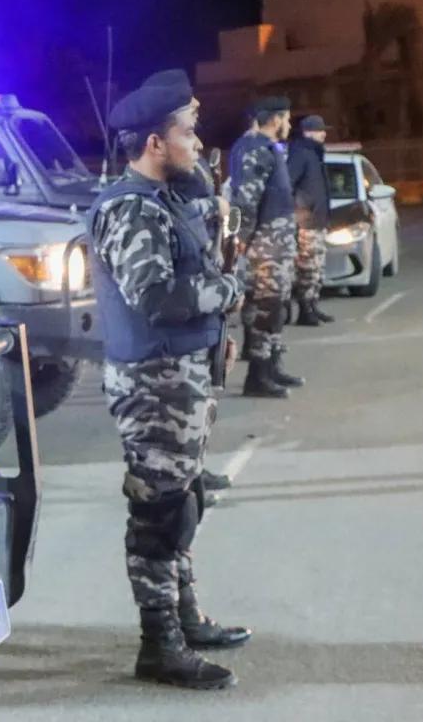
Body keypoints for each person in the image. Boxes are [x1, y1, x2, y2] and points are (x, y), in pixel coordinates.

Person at [87, 78, 251, 690]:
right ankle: (160, 646)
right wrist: (228, 292)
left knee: (184, 501)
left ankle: (185, 619)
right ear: (155, 143)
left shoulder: (165, 200)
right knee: (159, 514)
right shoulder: (130, 208)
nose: (198, 142)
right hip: (154, 385)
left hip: (181, 381)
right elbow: (154, 296)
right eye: (188, 132)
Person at [142, 70, 232, 496]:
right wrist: (214, 207)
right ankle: (185, 476)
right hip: (177, 322)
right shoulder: (162, 187)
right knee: (177, 412)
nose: (196, 140)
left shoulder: (186, 170)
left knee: (200, 401)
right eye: (190, 122)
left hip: (200, 303)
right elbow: (157, 294)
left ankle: (194, 468)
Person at [227, 97, 305, 397]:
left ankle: (271, 366)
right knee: (267, 308)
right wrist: (238, 240)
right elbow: (244, 201)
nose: (289, 124)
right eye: (286, 118)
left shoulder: (268, 148)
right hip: (266, 244)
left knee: (277, 306)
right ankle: (258, 377)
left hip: (276, 243)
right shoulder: (256, 149)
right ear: (275, 119)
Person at [289, 114, 335, 325]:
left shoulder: (315, 153)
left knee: (317, 266)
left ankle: (313, 305)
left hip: (317, 220)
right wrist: (302, 208)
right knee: (307, 266)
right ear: (308, 132)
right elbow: (289, 183)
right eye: (320, 130)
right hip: (307, 221)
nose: (324, 134)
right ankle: (305, 310)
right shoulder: (301, 153)